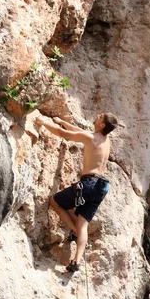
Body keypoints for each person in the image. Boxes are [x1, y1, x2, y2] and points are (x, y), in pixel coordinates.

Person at [35, 112, 119, 272]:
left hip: (88, 184)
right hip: (101, 188)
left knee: (55, 201)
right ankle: (77, 261)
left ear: (102, 125)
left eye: (100, 116)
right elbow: (78, 131)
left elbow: (64, 134)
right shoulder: (106, 140)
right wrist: (61, 120)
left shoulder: (92, 138)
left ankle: (73, 230)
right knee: (83, 225)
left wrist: (43, 123)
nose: (97, 116)